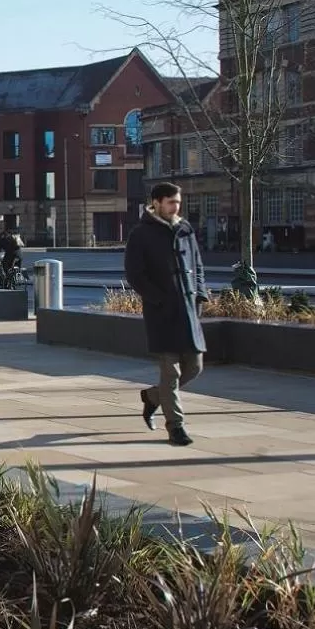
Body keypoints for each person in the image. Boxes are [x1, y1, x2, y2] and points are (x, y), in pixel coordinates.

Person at [124, 182, 209, 446]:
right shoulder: (141, 234)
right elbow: (135, 274)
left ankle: (152, 397)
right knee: (170, 373)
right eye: (171, 202)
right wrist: (157, 299)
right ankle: (176, 427)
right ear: (157, 202)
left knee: (195, 367)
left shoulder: (185, 230)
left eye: (178, 202)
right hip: (162, 313)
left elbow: (197, 264)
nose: (176, 206)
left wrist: (201, 293)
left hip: (188, 309)